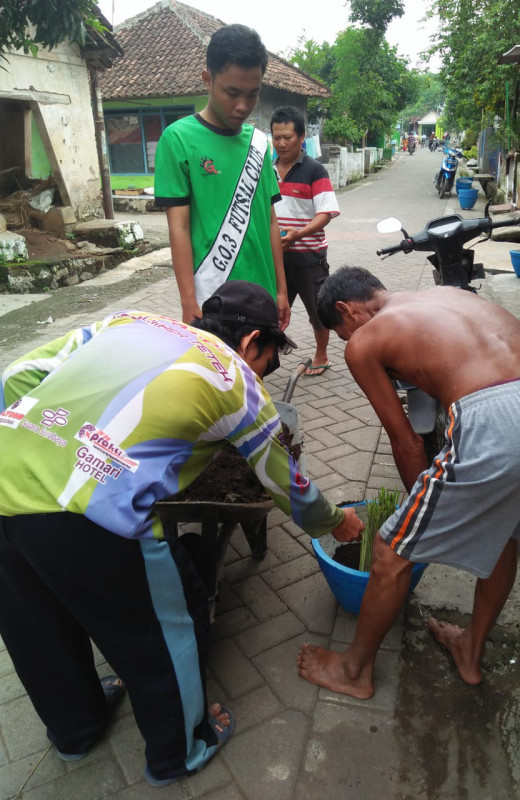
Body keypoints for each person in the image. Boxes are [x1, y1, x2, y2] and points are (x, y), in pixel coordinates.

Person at [0, 281, 363, 785]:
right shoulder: (235, 379)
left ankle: (75, 730)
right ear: (252, 341)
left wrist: (42, 441)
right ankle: (181, 750)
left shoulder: (129, 320)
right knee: (166, 627)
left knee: (35, 624)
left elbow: (18, 375)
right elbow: (285, 481)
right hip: (96, 516)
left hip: (4, 479)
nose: (263, 376)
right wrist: (334, 521)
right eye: (268, 362)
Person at [296, 267, 520, 699]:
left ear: (346, 310)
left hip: (504, 423)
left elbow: (406, 444)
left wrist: (417, 517)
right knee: (503, 531)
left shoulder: (365, 340)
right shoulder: (446, 294)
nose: (348, 341)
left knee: (390, 548)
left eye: (342, 332)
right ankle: (470, 653)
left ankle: (352, 671)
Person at [154, 24, 290, 330]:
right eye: (231, 93)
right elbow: (179, 227)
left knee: (259, 376)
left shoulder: (258, 142)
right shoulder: (177, 140)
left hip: (263, 295)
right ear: (207, 79)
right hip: (213, 298)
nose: (242, 105)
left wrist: (282, 290)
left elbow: (270, 220)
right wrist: (188, 301)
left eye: (252, 94)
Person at [270, 105, 340, 377]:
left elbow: (326, 214)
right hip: (276, 257)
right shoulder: (267, 170)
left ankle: (321, 355)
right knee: (271, 307)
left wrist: (298, 234)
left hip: (310, 256)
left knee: (318, 310)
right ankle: (267, 354)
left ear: (301, 137)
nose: (281, 143)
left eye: (287, 137)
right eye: (276, 137)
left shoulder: (314, 170)